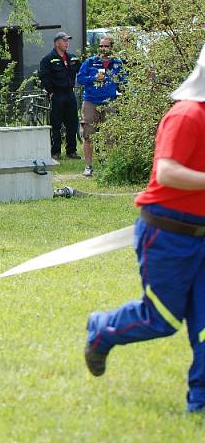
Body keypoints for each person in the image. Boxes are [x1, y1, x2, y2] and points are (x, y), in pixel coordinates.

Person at [84, 44, 205, 414]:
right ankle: (103, 329)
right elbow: (167, 172)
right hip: (167, 234)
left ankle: (199, 402)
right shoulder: (187, 115)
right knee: (163, 319)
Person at [76, 36, 125, 177]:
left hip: (109, 103)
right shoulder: (90, 62)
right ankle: (88, 166)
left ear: (111, 47)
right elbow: (80, 78)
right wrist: (93, 79)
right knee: (88, 135)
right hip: (91, 102)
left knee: (110, 136)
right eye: (101, 46)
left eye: (106, 46)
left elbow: (123, 81)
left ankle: (110, 166)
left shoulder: (117, 63)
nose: (103, 49)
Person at [39, 31, 82, 160]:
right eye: (64, 41)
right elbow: (44, 77)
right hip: (57, 94)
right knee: (56, 124)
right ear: (57, 42)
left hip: (69, 94)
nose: (67, 43)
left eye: (68, 41)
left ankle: (71, 151)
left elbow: (81, 69)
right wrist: (50, 91)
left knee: (72, 123)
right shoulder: (48, 59)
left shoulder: (72, 58)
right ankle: (56, 151)